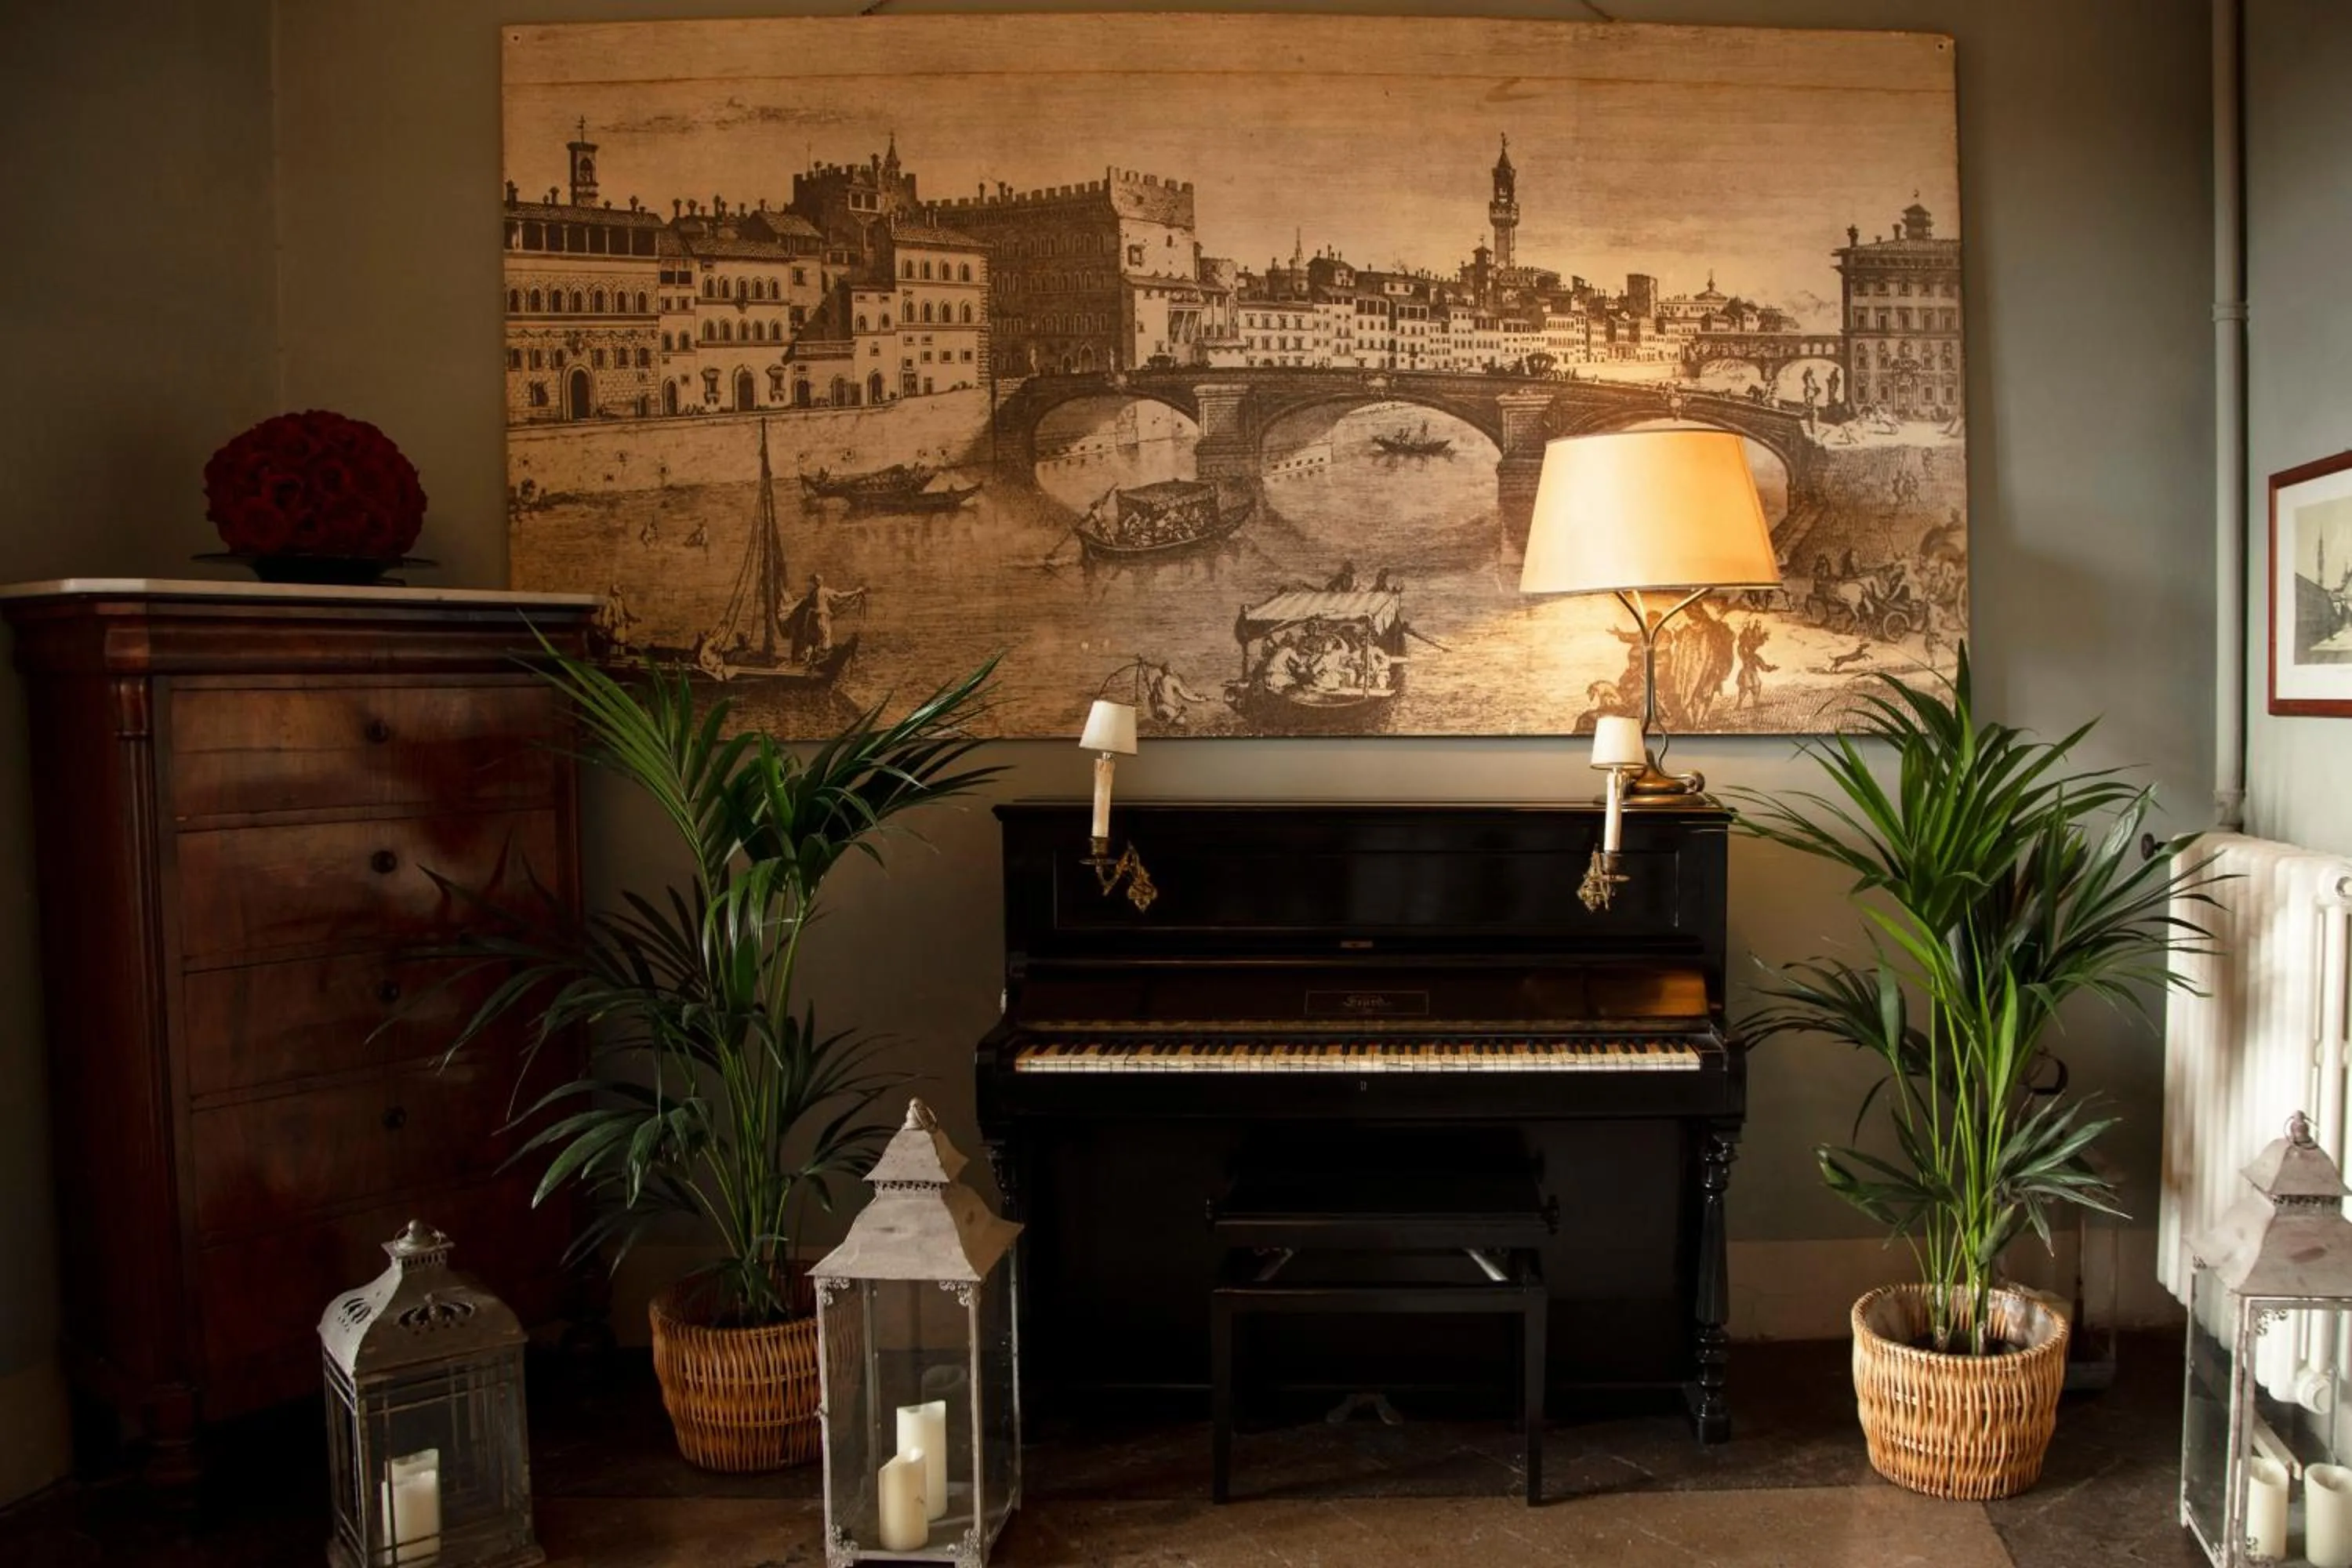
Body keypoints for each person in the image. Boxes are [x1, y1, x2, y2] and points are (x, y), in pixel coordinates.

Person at [786, 572, 866, 662]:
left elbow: (807, 604)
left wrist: (855, 593)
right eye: (817, 580)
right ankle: (820, 658)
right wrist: (856, 592)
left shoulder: (813, 593)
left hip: (814, 617)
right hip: (821, 617)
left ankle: (812, 659)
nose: (818, 582)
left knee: (815, 639)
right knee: (824, 637)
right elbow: (839, 595)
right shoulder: (822, 592)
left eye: (818, 580)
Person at [1145, 661, 1212, 724]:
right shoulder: (1173, 681)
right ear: (1168, 670)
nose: (1173, 670)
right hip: (1170, 710)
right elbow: (1185, 697)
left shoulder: (1157, 681)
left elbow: (1153, 696)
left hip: (1157, 710)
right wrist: (1202, 699)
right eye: (1172, 668)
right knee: (1182, 720)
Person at [1734, 617, 1778, 710]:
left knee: (1754, 688)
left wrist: (1772, 668)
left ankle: (1752, 703)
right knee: (1748, 688)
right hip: (1748, 674)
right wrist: (1771, 668)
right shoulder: (1749, 656)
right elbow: (1764, 668)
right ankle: (1741, 704)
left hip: (1750, 674)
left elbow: (1764, 667)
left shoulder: (1751, 656)